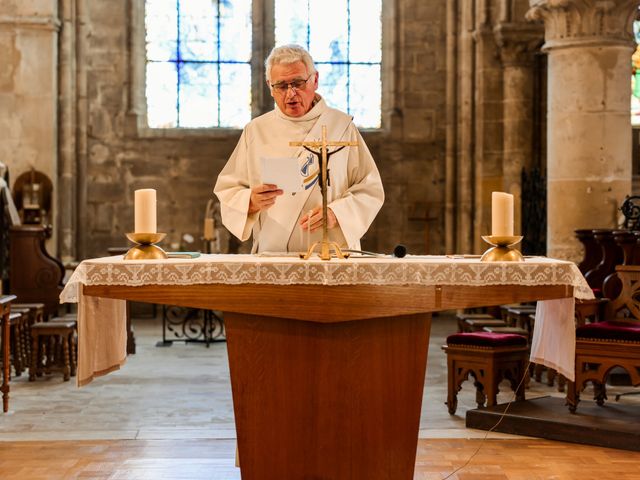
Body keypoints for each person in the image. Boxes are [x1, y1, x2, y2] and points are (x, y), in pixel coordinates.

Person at [214, 44, 384, 253]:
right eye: (281, 86)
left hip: (334, 253)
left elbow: (370, 189)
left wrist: (337, 213)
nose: (291, 94)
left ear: (315, 80)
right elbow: (229, 189)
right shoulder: (256, 130)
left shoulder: (341, 126)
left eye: (298, 83)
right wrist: (250, 201)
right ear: (270, 86)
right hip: (274, 255)